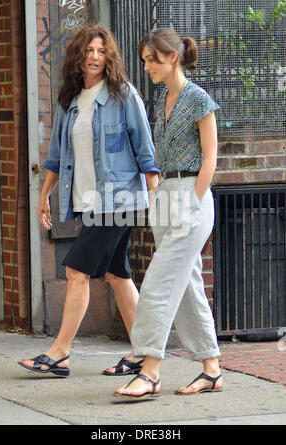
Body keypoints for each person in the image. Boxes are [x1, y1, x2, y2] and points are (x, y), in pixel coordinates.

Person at [18, 23, 159, 377]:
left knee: (76, 270)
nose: (94, 57)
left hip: (119, 200)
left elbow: (146, 152)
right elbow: (55, 157)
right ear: (79, 56)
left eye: (101, 51)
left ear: (108, 56)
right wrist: (44, 197)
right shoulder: (69, 100)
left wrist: (155, 197)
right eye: (89, 50)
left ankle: (60, 352)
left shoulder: (124, 95)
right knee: (117, 274)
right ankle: (144, 353)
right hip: (86, 202)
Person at [115, 28, 222, 400]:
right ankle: (211, 369)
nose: (146, 66)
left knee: (158, 283)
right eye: (145, 60)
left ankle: (150, 369)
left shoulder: (198, 99)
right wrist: (157, 195)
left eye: (152, 59)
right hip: (165, 196)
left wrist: (192, 202)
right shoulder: (163, 97)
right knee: (189, 285)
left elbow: (210, 158)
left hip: (191, 196)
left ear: (172, 57)